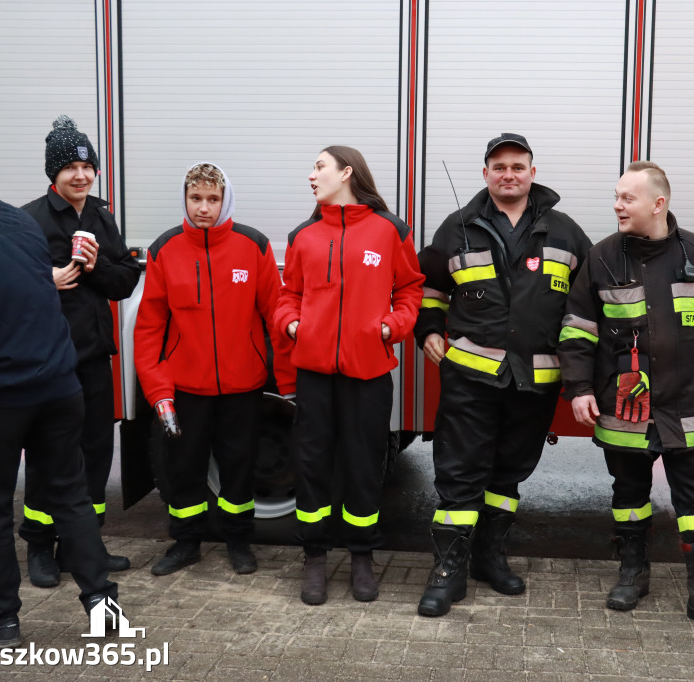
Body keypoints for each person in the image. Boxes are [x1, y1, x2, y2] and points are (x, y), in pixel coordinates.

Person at [557, 161, 694, 635]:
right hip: (624, 407)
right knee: (628, 495)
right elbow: (577, 332)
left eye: (627, 198)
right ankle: (633, 571)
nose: (617, 205)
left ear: (658, 203)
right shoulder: (602, 258)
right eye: (617, 196)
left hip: (687, 403)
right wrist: (580, 388)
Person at [0, 131, 118, 647]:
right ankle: (103, 608)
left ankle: (0, 618)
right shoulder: (21, 222)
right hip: (58, 387)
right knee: (71, 496)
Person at [413, 133, 592, 617]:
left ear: (532, 172)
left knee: (509, 475)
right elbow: (428, 287)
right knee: (459, 475)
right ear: (486, 173)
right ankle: (447, 571)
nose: (508, 174)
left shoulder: (566, 233)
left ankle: (489, 557)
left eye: (518, 166)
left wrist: (580, 370)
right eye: (499, 166)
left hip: (535, 382)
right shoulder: (458, 228)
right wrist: (428, 326)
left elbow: (586, 305)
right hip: (471, 379)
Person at [275, 146, 423, 605]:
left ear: (346, 172)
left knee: (364, 468)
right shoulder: (304, 236)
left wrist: (389, 327)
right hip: (315, 375)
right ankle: (315, 558)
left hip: (368, 374)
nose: (312, 174)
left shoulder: (390, 231)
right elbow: (288, 295)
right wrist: (293, 324)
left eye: (319, 166)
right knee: (312, 466)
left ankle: (362, 557)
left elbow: (410, 290)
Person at [134, 162, 292, 577]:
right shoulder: (165, 249)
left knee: (239, 466)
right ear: (185, 200)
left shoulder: (252, 246)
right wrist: (158, 392)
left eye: (212, 199)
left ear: (225, 201)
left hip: (243, 386)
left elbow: (276, 315)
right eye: (196, 198)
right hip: (186, 388)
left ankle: (238, 540)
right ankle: (186, 543)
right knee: (184, 469)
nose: (204, 208)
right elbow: (149, 328)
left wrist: (291, 382)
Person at [19, 115, 140, 587]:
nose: (80, 175)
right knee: (51, 453)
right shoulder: (29, 219)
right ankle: (39, 546)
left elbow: (125, 282)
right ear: (53, 172)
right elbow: (6, 285)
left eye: (87, 166)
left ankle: (82, 544)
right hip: (48, 360)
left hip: (93, 358)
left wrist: (92, 269)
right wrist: (43, 280)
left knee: (94, 453)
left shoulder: (100, 216)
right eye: (69, 166)